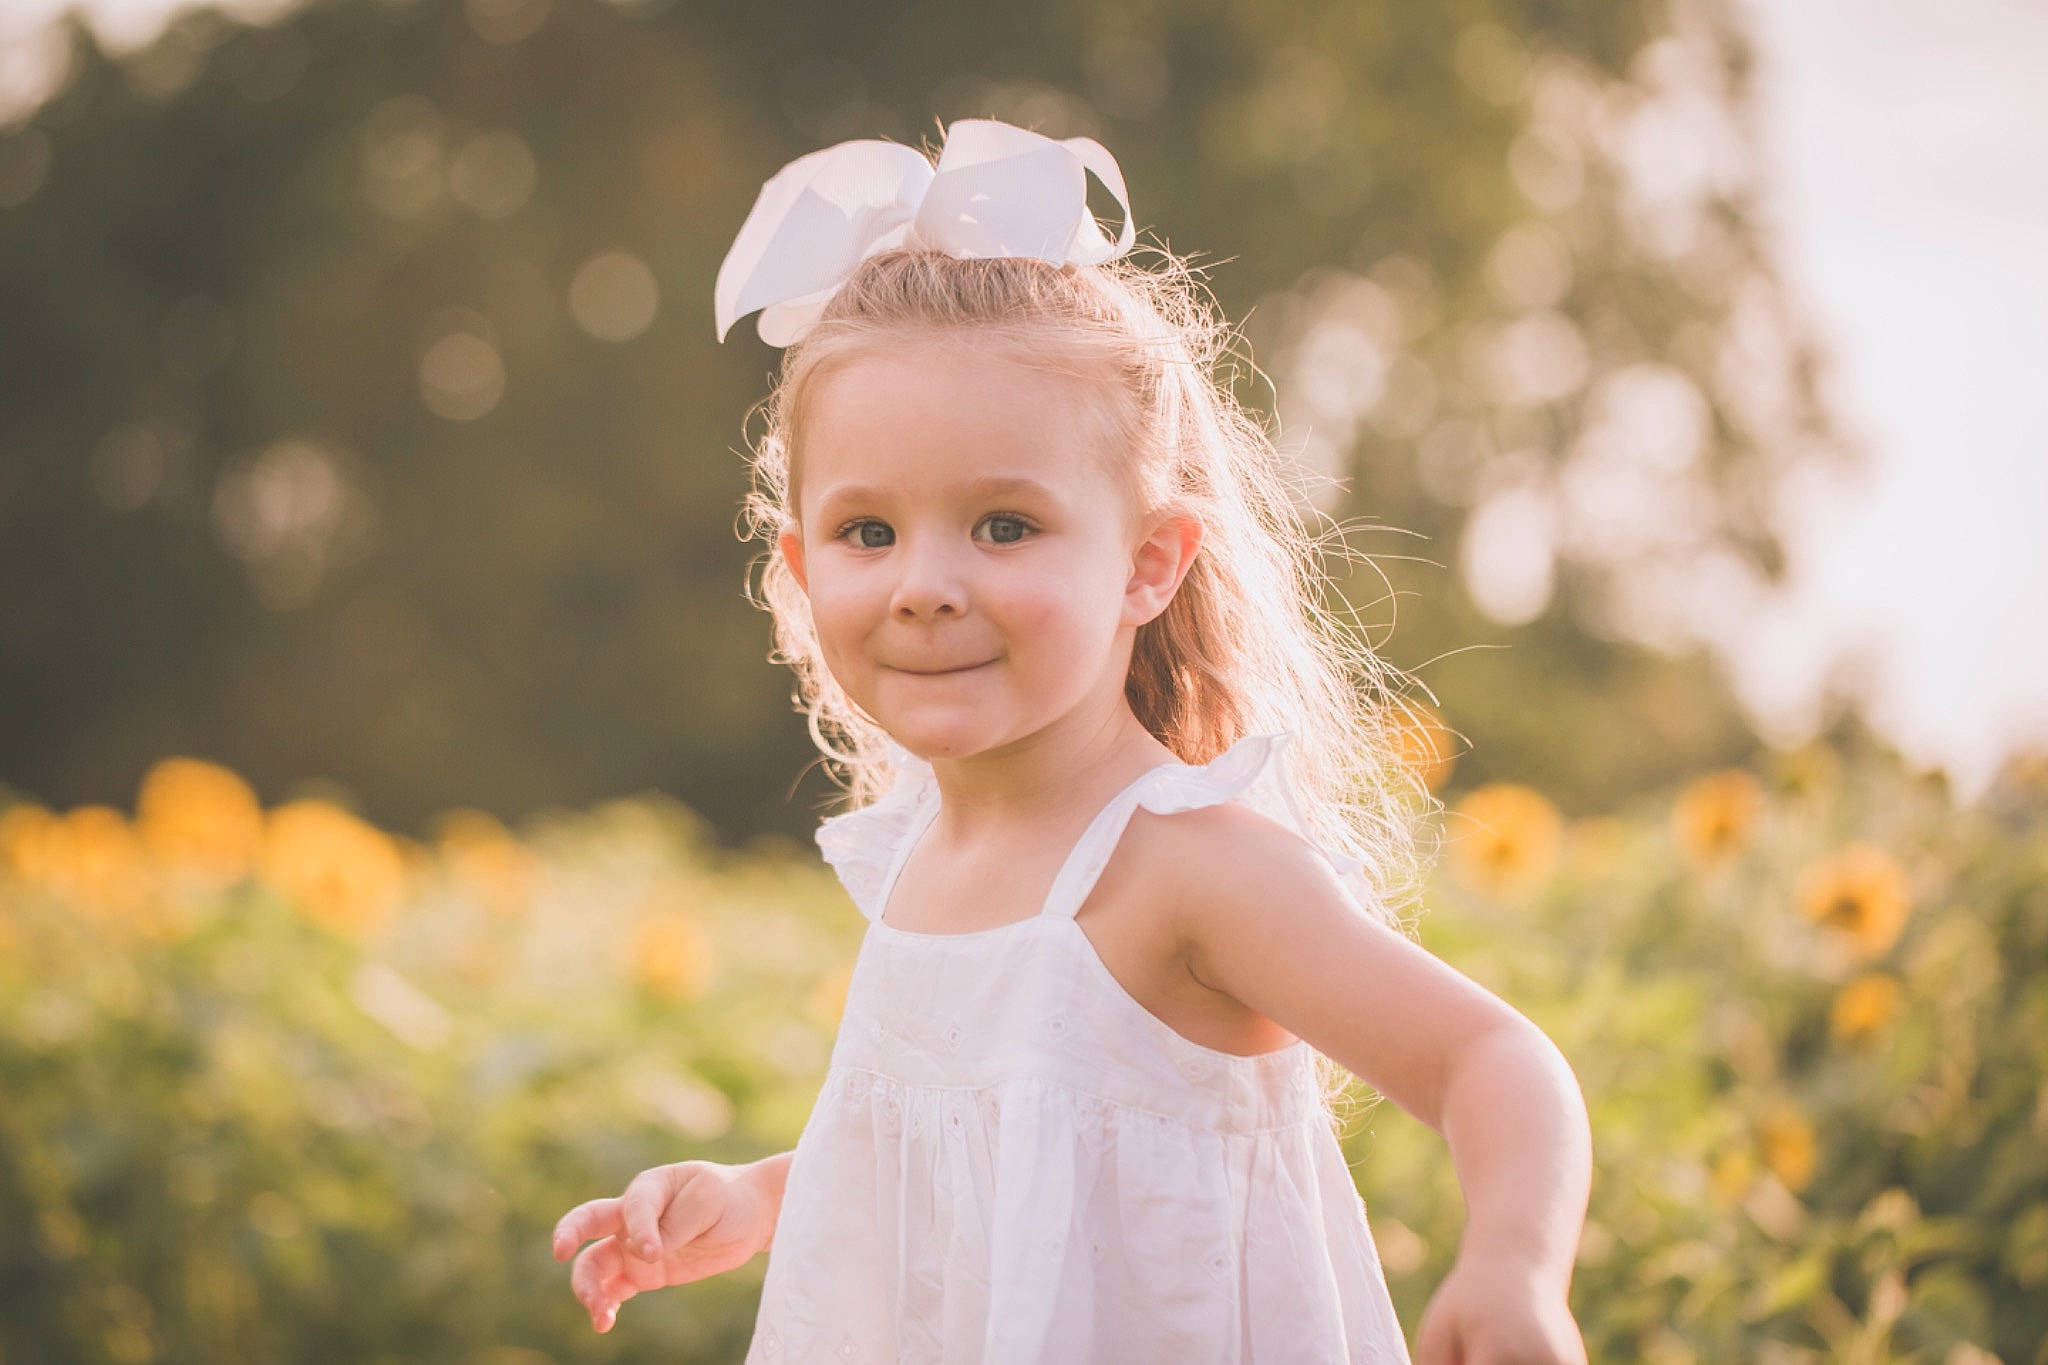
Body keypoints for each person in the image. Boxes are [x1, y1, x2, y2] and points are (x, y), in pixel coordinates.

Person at [552, 117, 1591, 1364]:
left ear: (1146, 564)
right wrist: (758, 1197)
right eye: (866, 533)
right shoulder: (918, 856)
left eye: (1002, 526)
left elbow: (1491, 1059)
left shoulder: (1189, 867)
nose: (924, 584)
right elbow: (968, 1156)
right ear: (796, 567)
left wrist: (1511, 1268)